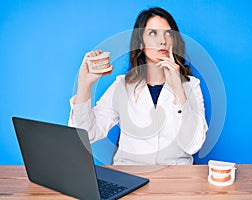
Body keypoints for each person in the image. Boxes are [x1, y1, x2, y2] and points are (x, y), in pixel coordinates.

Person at [68, 7, 208, 165]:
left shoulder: (191, 86)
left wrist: (178, 89)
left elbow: (194, 145)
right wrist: (84, 86)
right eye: (153, 33)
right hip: (131, 175)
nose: (162, 40)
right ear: (140, 43)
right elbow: (87, 133)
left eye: (168, 33)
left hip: (176, 178)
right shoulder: (123, 86)